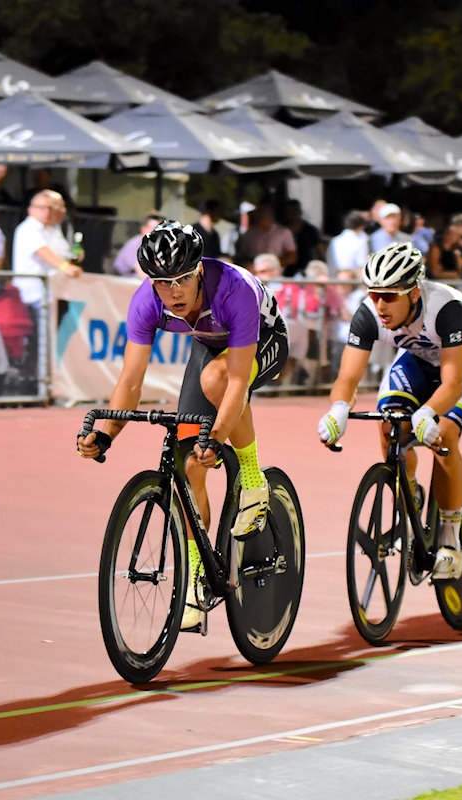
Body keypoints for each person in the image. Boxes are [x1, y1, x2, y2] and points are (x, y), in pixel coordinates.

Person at [76, 221, 289, 631]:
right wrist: (106, 433)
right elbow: (131, 381)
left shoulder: (232, 289)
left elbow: (238, 383)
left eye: (182, 280)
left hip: (263, 339)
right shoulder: (147, 302)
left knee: (217, 382)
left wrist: (219, 438)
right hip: (211, 343)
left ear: (199, 272)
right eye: (161, 282)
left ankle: (252, 476)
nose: (173, 291)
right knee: (190, 465)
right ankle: (196, 573)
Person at [318, 243, 462, 579]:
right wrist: (338, 408)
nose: (379, 304)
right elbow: (347, 378)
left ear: (413, 294)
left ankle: (451, 540)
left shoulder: (447, 308)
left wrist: (428, 413)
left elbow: (452, 384)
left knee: (445, 437)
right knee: (389, 424)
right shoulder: (368, 313)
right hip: (418, 362)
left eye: (390, 296)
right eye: (374, 293)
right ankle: (411, 490)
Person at [13, 190, 82, 373]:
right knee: (38, 342)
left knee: (52, 340)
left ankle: (50, 379)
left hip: (53, 295)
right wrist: (64, 267)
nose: (47, 212)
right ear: (31, 209)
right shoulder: (28, 228)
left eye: (51, 208)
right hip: (33, 297)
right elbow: (42, 251)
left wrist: (72, 260)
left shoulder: (53, 230)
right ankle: (36, 382)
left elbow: (65, 255)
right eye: (42, 208)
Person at [235, 203, 296, 270]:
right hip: (253, 270)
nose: (260, 216)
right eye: (258, 214)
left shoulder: (284, 232)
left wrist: (273, 265)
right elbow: (242, 254)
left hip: (276, 273)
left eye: (263, 213)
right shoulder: (249, 233)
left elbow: (292, 256)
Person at [426, 212, 462, 281]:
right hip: (437, 282)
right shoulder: (436, 248)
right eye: (455, 235)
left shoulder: (458, 249)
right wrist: (456, 275)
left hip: (455, 282)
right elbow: (436, 272)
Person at [327, 211, 370, 275]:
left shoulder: (335, 240)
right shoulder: (360, 242)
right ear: (361, 227)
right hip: (352, 282)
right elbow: (361, 267)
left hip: (336, 280)